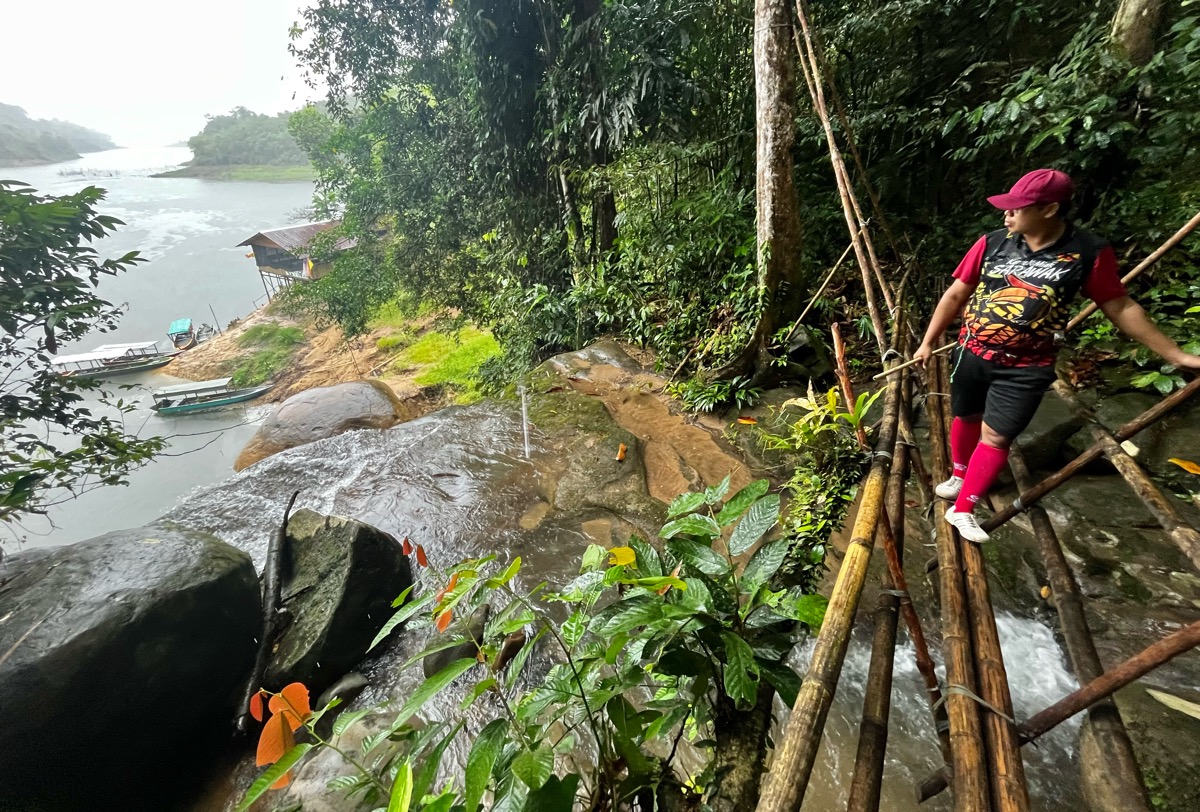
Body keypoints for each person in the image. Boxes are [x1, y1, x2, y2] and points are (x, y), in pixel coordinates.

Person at [914, 168, 1200, 543]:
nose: (1007, 214)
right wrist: (928, 341)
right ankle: (959, 473)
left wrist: (1176, 354)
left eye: (1017, 208)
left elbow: (1118, 305)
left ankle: (964, 508)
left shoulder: (1087, 251)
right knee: (965, 414)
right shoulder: (992, 243)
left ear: (1049, 210)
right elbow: (956, 293)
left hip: (1027, 365)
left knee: (998, 437)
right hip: (973, 352)